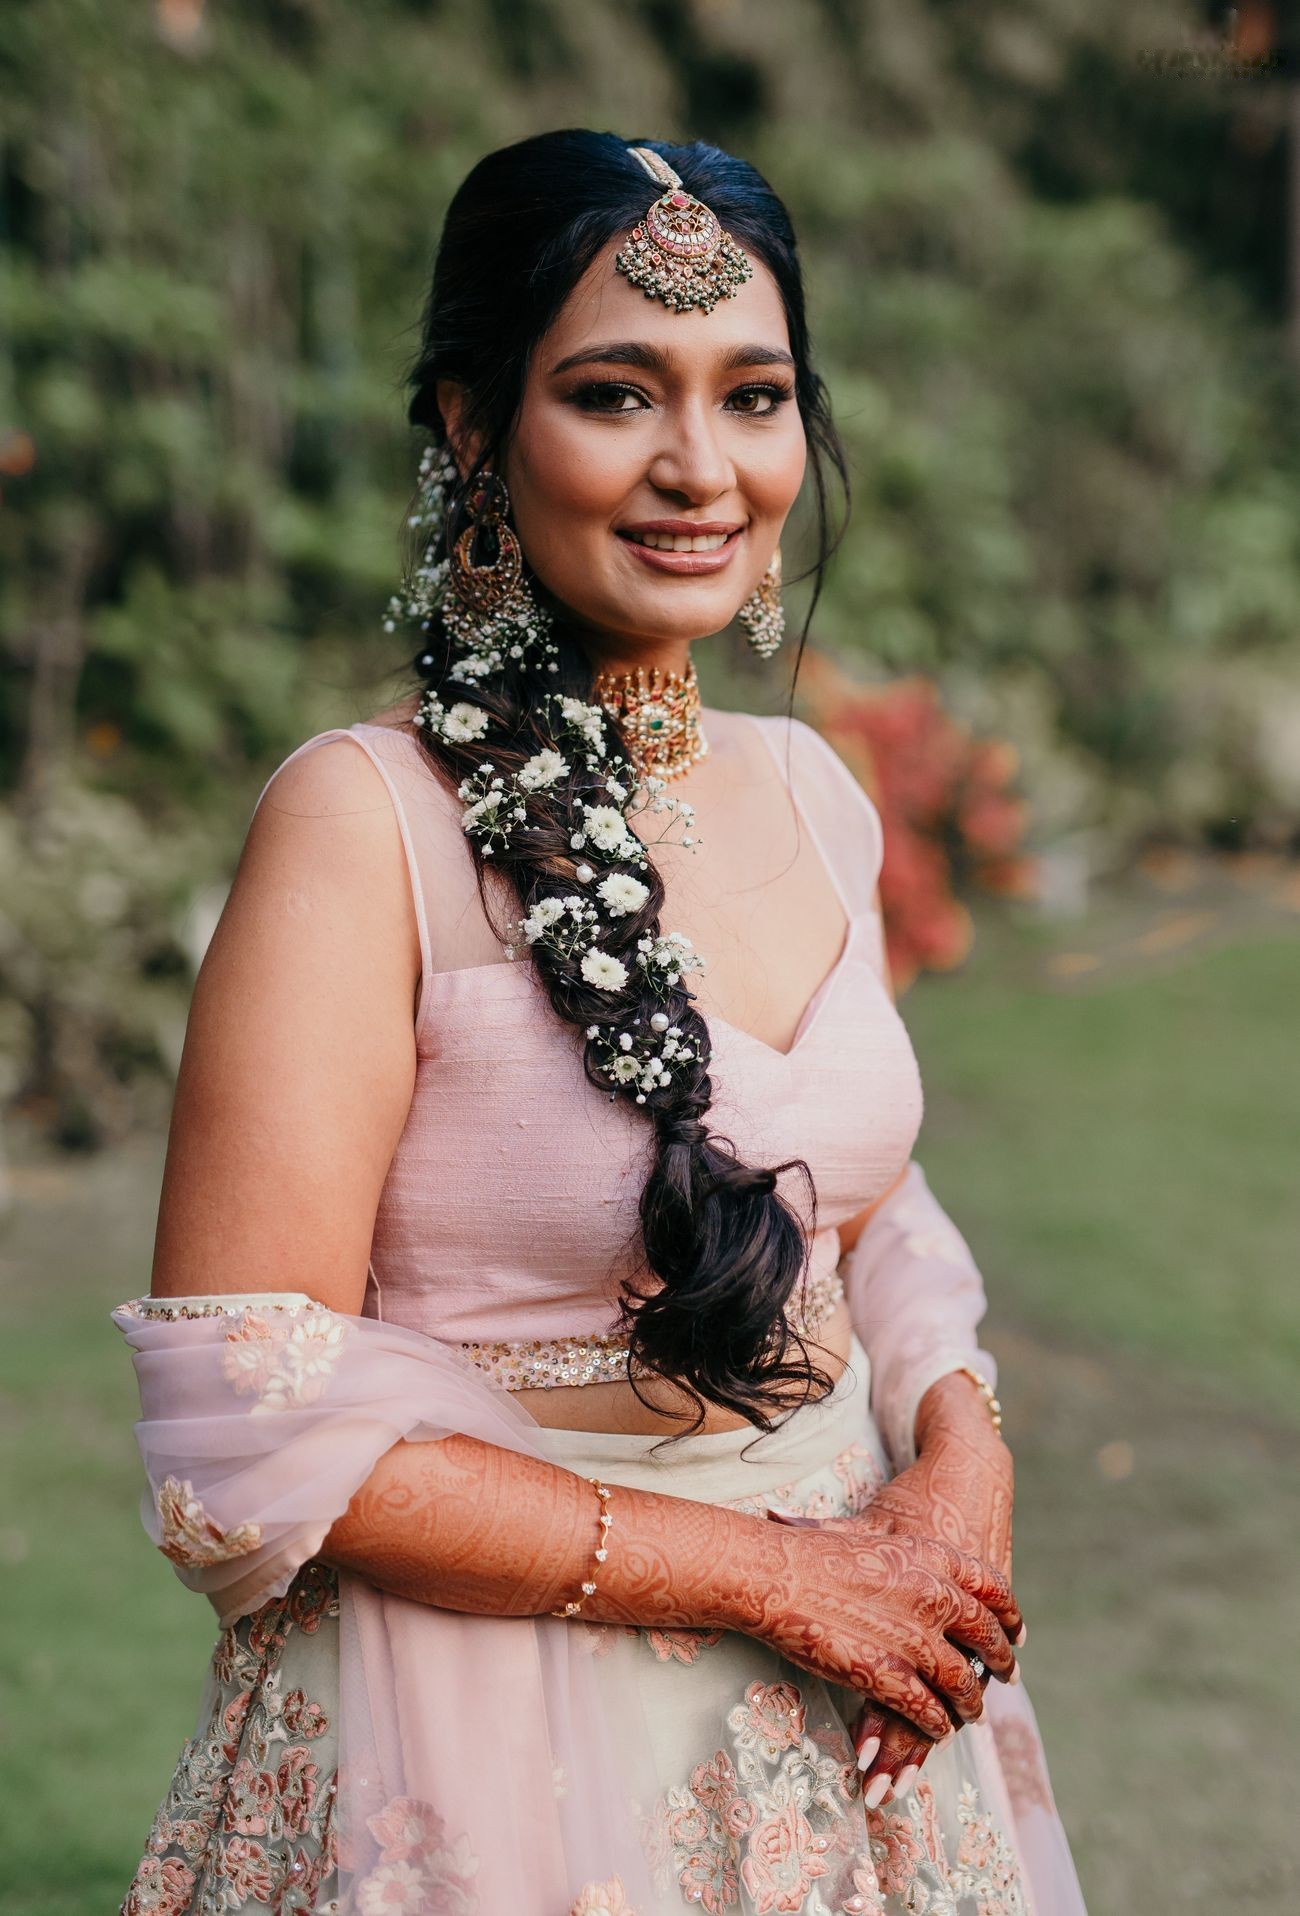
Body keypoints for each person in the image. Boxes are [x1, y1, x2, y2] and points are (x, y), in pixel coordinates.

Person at [113, 130, 1088, 1915]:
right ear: (476, 427)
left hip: (854, 1730)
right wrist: (773, 1577)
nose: (701, 468)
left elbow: (850, 1207)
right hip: (489, 1740)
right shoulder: (367, 825)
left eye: (756, 395)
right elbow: (238, 1420)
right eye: (617, 395)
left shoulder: (817, 794)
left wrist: (961, 1448)